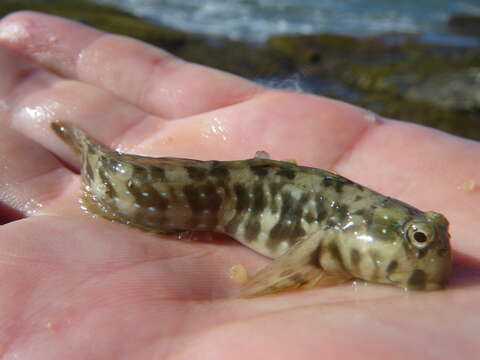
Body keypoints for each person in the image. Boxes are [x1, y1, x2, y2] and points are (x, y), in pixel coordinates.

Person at [0, 11, 478, 359]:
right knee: (159, 188)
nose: (435, 248)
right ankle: (103, 170)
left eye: (426, 237)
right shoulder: (340, 229)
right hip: (225, 195)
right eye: (419, 237)